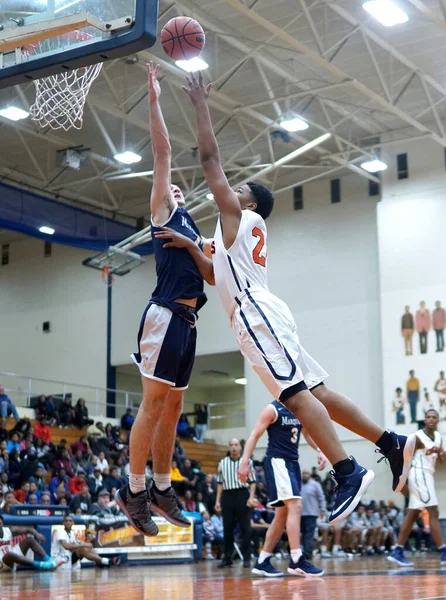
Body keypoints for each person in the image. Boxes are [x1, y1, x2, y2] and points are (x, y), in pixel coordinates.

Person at [157, 70, 415, 524]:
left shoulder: (239, 218)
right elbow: (216, 277)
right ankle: (389, 442)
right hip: (263, 308)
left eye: (238, 191)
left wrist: (200, 103)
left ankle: (347, 471)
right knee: (319, 392)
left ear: (250, 204)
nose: (229, 191)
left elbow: (210, 158)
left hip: (255, 313)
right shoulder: (233, 233)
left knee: (295, 397)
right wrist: (195, 248)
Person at [115, 63, 208, 538]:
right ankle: (132, 492)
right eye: (164, 184)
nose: (171, 186)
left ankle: (160, 486)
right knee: (153, 406)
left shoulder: (192, 225)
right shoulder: (163, 210)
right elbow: (163, 150)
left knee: (173, 410)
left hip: (189, 323)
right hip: (164, 316)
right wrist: (154, 98)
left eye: (175, 186)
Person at [239, 400, 325, 577]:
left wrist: (320, 449)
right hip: (277, 461)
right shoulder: (272, 409)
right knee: (296, 505)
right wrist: (244, 461)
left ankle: (262, 561)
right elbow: (255, 435)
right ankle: (296, 559)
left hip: (293, 464)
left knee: (282, 514)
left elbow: (307, 433)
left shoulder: (300, 408)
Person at [388, 409, 446, 567]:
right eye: (428, 417)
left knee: (413, 514)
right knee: (433, 511)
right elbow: (405, 458)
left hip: (428, 475)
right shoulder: (417, 437)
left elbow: (440, 458)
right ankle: (443, 551)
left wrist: (441, 453)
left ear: (438, 420)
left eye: (434, 417)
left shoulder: (439, 437)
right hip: (418, 474)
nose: (431, 420)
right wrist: (403, 481)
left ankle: (397, 550)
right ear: (425, 420)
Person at [215, 438, 256, 569]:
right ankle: (227, 558)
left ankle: (247, 558)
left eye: (236, 445)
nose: (233, 447)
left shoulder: (247, 462)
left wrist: (251, 498)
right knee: (227, 529)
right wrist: (217, 501)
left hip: (242, 494)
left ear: (240, 448)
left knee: (246, 529)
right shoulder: (222, 463)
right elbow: (220, 483)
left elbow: (253, 482)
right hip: (227, 496)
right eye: (231, 445)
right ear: (228, 448)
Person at [51, 515, 120, 569]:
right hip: (60, 559)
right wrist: (84, 544)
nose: (68, 522)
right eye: (66, 521)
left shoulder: (72, 533)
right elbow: (67, 546)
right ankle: (105, 561)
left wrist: (88, 541)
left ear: (73, 523)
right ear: (63, 523)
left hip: (68, 558)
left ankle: (101, 562)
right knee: (83, 549)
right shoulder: (60, 532)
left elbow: (77, 545)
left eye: (70, 521)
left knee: (87, 547)